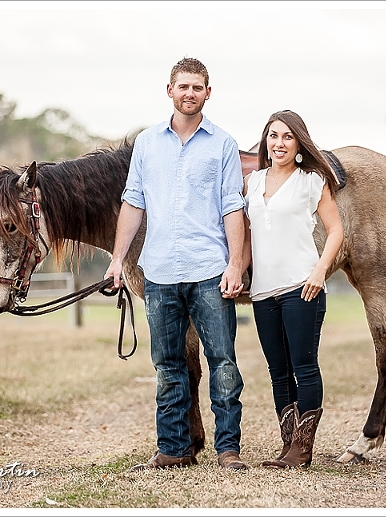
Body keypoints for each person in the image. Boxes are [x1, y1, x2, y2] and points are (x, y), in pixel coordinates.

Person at [105, 57, 248, 471]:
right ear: (169, 90)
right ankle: (173, 449)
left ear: (208, 92)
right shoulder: (147, 144)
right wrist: (117, 260)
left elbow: (232, 205)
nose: (189, 94)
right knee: (168, 366)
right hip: (160, 273)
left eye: (197, 87)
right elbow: (133, 201)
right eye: (182, 86)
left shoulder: (222, 143)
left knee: (223, 363)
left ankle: (228, 449)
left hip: (208, 270)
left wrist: (235, 264)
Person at [242, 110, 344, 469]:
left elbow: (336, 231)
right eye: (273, 136)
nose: (279, 143)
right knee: (278, 371)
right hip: (262, 292)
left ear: (299, 142)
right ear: (265, 141)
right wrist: (238, 270)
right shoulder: (253, 183)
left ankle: (302, 449)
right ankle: (288, 445)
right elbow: (248, 235)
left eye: (287, 136)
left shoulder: (312, 180)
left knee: (304, 366)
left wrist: (320, 271)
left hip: (303, 287)